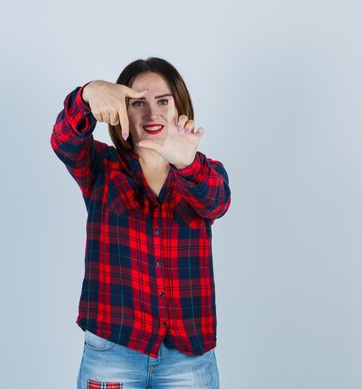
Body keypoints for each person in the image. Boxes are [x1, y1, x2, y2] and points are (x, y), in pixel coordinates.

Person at [50, 57, 231, 389]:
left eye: (163, 101)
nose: (152, 113)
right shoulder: (100, 167)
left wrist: (187, 164)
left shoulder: (204, 172)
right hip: (113, 349)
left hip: (188, 356)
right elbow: (64, 140)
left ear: (180, 107)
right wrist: (88, 94)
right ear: (120, 111)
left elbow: (217, 203)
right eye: (137, 103)